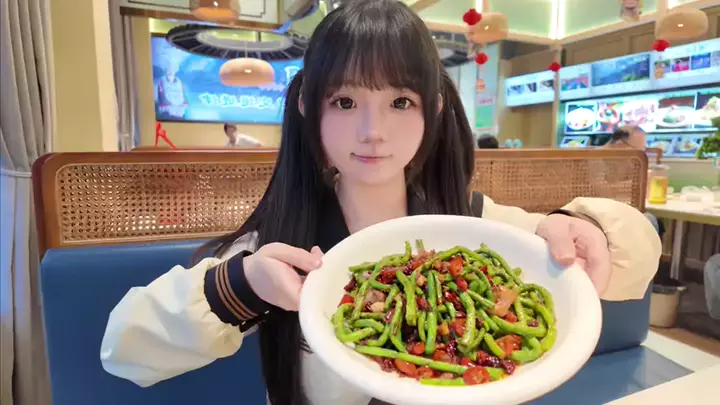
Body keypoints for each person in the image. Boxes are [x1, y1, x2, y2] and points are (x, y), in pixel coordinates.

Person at [99, 2, 661, 405]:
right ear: (308, 108)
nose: (373, 131)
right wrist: (243, 286)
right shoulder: (282, 245)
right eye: (344, 101)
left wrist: (579, 227)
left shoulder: (476, 229)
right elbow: (125, 349)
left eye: (400, 101)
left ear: (433, 110)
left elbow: (636, 249)